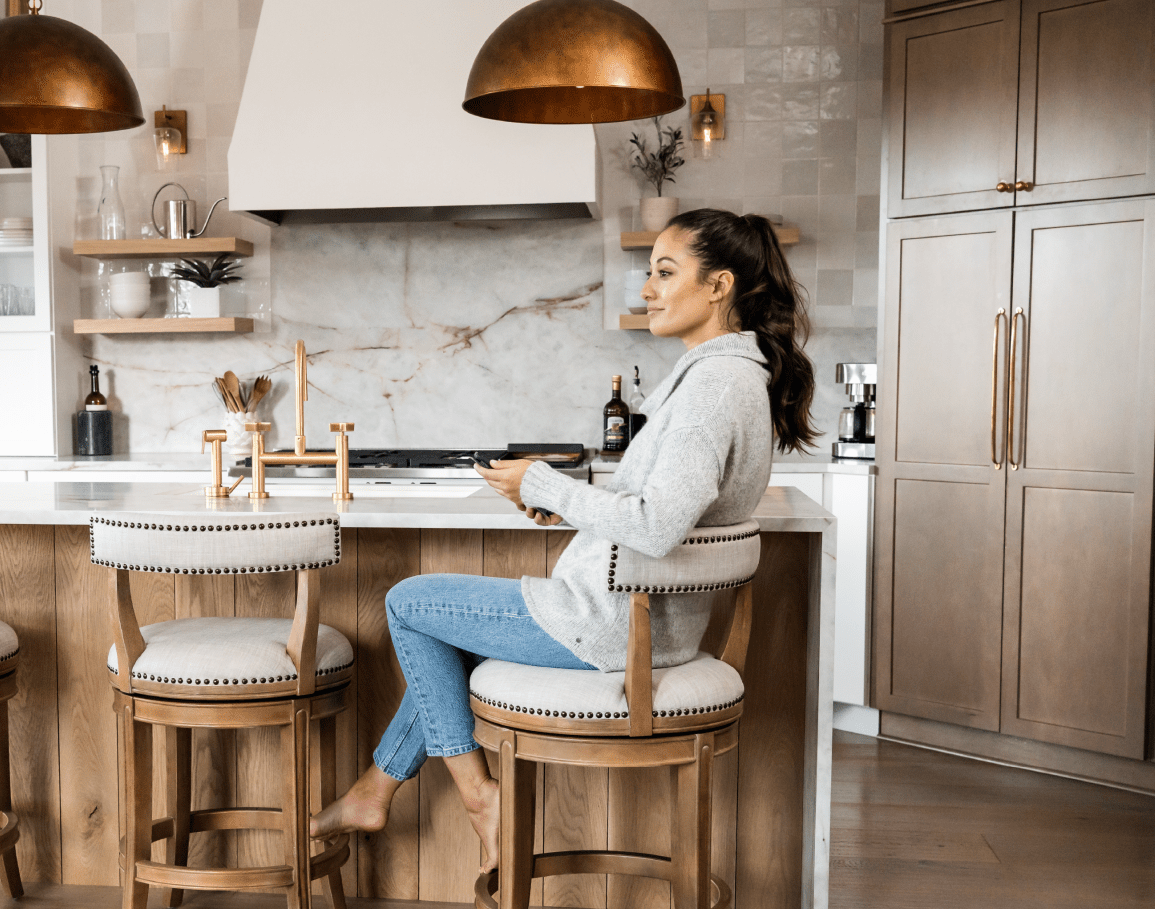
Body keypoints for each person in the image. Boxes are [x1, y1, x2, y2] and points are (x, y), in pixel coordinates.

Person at [309, 209, 819, 872]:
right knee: (446, 634)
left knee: (409, 603)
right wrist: (565, 504)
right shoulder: (730, 377)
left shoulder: (713, 389)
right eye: (650, 272)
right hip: (646, 624)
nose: (648, 289)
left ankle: (479, 798)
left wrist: (546, 483)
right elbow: (658, 512)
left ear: (719, 285)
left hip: (613, 627)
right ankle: (373, 792)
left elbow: (656, 526)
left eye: (666, 272)